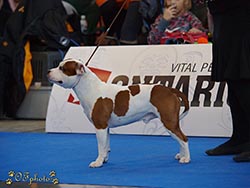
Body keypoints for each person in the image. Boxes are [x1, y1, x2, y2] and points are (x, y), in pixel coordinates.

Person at [206, 0, 250, 162]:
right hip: (226, 24)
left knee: (244, 80)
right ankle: (241, 138)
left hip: (242, 22)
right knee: (233, 80)